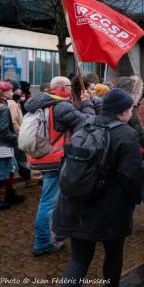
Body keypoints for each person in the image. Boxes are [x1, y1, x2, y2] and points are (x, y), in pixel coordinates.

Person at [53, 88, 144, 287]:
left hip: (74, 203)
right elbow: (131, 177)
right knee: (113, 256)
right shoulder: (125, 133)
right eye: (130, 109)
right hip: (110, 210)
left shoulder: (83, 125)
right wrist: (135, 199)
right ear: (122, 111)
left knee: (79, 260)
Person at [25, 76, 95, 256]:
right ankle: (42, 242)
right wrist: (87, 102)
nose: (72, 88)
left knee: (56, 199)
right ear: (62, 87)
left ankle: (58, 231)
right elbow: (88, 123)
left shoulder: (41, 103)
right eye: (70, 86)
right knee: (48, 202)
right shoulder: (60, 105)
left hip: (44, 156)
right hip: (55, 159)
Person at [116, 76, 144, 227]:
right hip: (133, 152)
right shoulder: (128, 105)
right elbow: (139, 131)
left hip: (117, 151)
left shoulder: (112, 102)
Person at [0, 81, 24, 209]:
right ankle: (8, 195)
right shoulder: (4, 107)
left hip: (4, 144)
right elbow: (3, 129)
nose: (12, 92)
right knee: (5, 171)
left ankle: (10, 194)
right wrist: (16, 139)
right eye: (9, 90)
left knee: (10, 169)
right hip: (4, 145)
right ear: (3, 92)